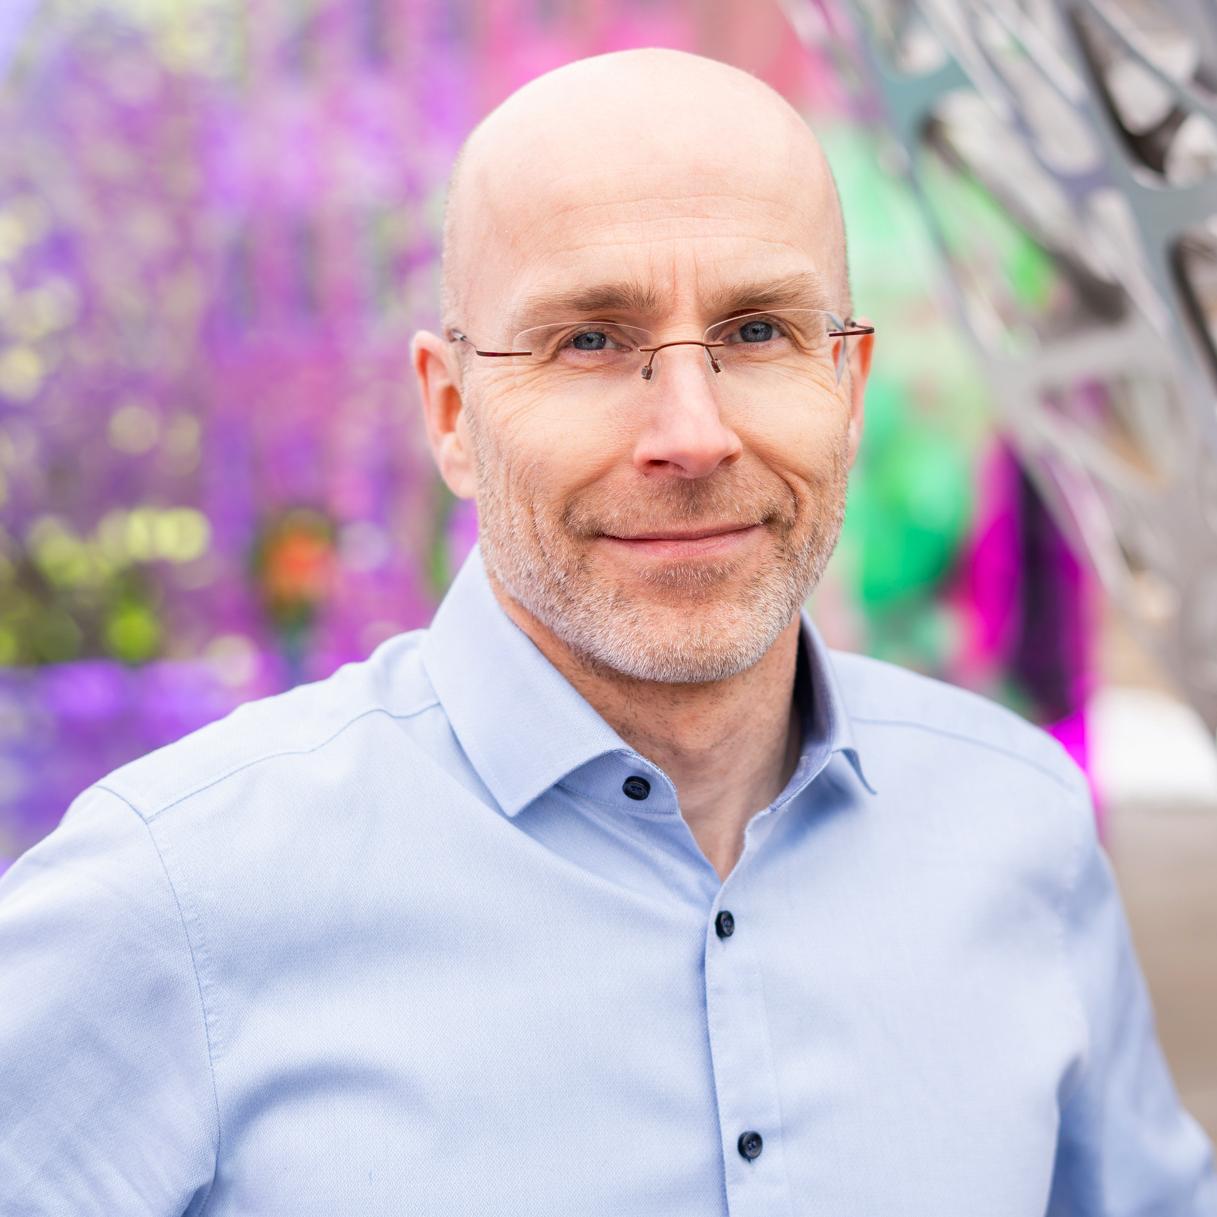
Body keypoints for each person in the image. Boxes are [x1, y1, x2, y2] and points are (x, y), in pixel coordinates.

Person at [0, 47, 1213, 1217]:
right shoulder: (172, 901)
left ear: (845, 390)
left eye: (755, 333)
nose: (691, 432)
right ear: (450, 411)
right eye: (588, 338)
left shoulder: (1015, 822)